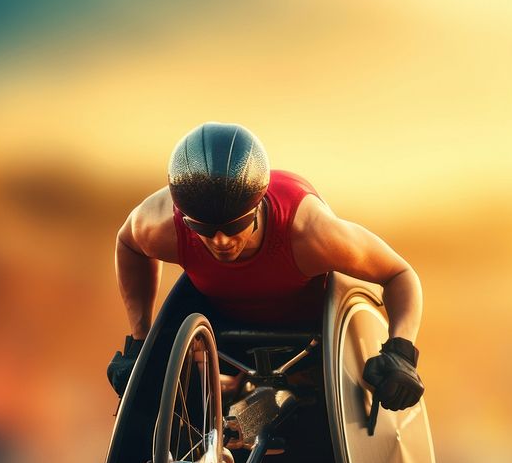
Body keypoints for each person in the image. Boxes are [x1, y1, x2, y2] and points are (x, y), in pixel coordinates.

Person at [106, 122, 424, 411]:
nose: (220, 242)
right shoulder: (160, 223)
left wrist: (401, 351)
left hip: (309, 336)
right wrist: (140, 340)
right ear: (184, 216)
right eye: (203, 229)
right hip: (218, 322)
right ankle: (224, 396)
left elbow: (399, 274)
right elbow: (128, 244)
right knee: (147, 386)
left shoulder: (311, 231)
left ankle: (270, 392)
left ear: (257, 205)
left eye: (234, 227)